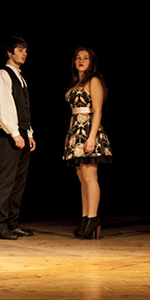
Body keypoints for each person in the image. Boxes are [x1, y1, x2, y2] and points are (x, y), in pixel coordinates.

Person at [63, 46, 112, 240]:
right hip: (76, 131)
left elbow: (98, 111)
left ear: (91, 62)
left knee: (90, 176)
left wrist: (91, 137)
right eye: (78, 58)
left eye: (85, 58)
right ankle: (85, 219)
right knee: (82, 177)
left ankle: (93, 218)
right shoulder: (76, 83)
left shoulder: (94, 81)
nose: (81, 61)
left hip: (89, 131)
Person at [0, 36, 36, 240]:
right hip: (8, 134)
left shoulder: (20, 77)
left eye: (25, 50)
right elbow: (4, 106)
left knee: (19, 181)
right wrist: (15, 132)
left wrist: (29, 133)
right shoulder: (3, 74)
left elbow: (23, 108)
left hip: (21, 134)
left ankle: (12, 223)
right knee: (6, 180)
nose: (24, 54)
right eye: (19, 50)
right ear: (9, 52)